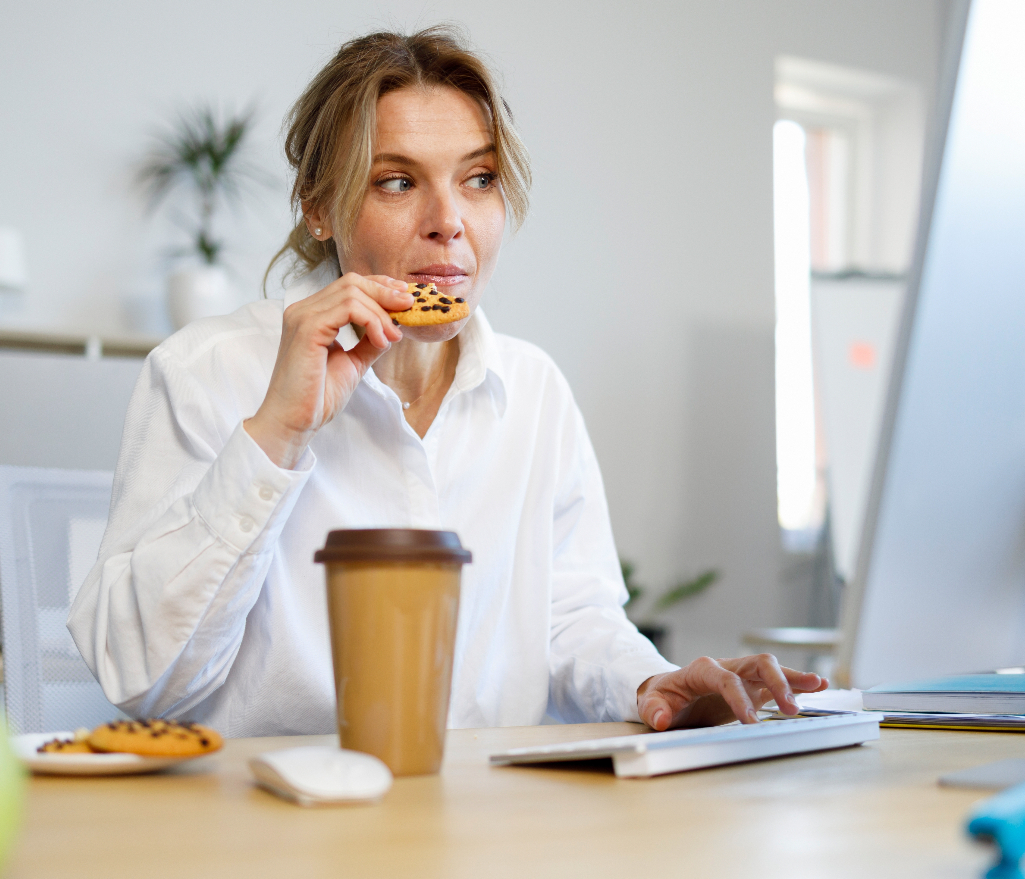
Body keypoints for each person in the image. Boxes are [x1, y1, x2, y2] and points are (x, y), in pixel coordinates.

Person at [68, 25, 826, 737]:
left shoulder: (535, 391)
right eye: (397, 182)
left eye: (479, 178)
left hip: (483, 824)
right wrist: (275, 435)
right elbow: (141, 679)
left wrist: (647, 681)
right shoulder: (204, 373)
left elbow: (570, 615)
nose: (449, 221)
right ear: (320, 207)